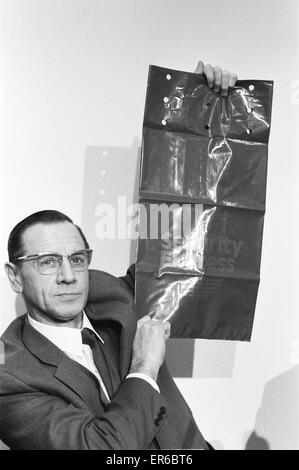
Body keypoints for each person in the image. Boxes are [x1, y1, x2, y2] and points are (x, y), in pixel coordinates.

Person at [0, 63, 238, 450]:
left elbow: (187, 240)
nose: (68, 276)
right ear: (14, 276)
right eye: (47, 262)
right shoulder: (10, 376)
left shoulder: (114, 295)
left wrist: (195, 112)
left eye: (77, 259)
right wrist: (144, 367)